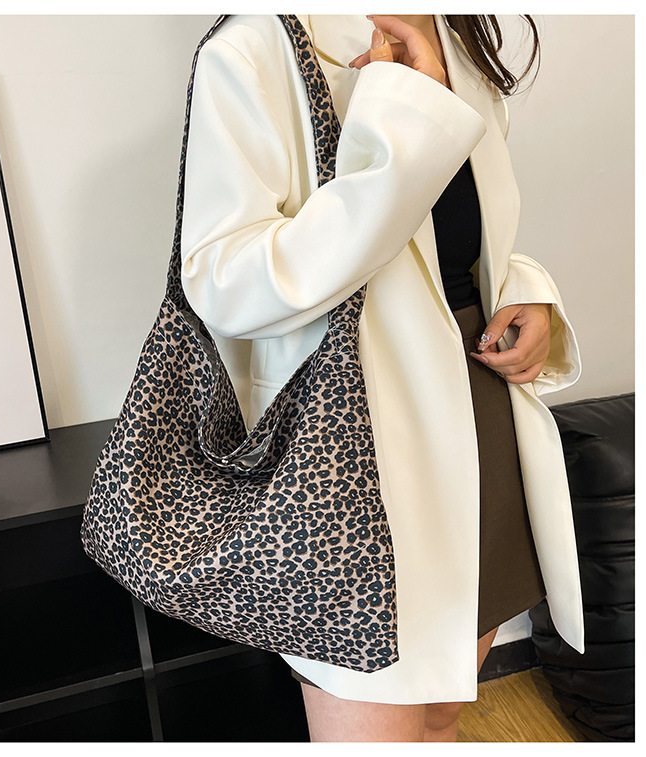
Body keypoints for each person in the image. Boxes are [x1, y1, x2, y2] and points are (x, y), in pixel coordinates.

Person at [179, 14, 584, 742]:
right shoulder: (256, 46)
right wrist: (402, 137)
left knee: (442, 710)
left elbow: (461, 236)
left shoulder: (458, 32)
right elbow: (224, 284)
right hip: (352, 443)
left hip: (479, 404)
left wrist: (526, 287)